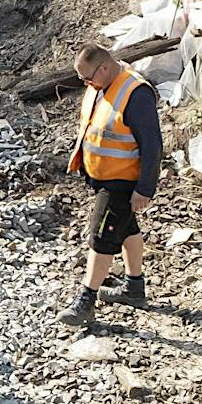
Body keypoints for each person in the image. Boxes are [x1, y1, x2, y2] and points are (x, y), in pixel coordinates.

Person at [58, 44, 161, 330]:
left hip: (122, 183)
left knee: (101, 238)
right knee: (127, 230)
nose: (85, 84)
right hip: (105, 177)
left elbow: (152, 145)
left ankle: (86, 301)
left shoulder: (136, 94)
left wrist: (145, 188)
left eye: (88, 78)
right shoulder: (102, 85)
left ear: (104, 67)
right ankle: (134, 288)